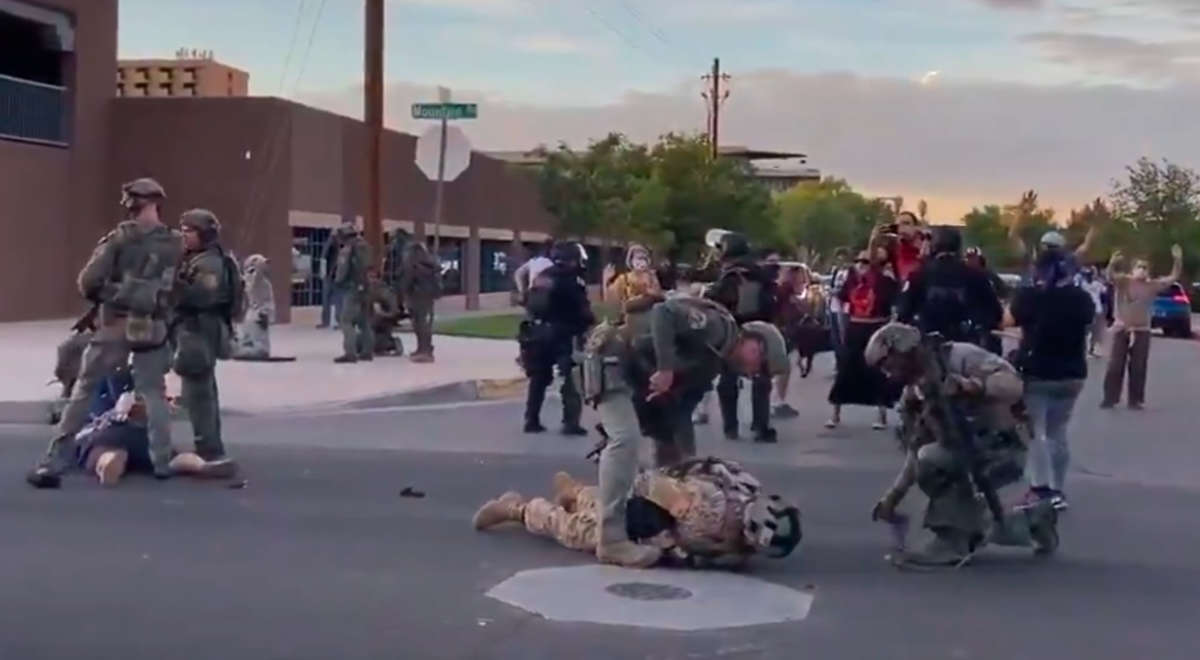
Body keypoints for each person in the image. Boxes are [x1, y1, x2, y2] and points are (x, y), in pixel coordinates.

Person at [579, 295, 789, 567]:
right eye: (758, 363)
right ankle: (611, 540)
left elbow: (679, 415)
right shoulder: (718, 327)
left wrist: (689, 471)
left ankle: (653, 521)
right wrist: (666, 369)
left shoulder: (711, 365)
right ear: (754, 342)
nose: (752, 372)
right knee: (625, 440)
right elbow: (662, 313)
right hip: (612, 357)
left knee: (669, 449)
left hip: (634, 375)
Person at [27, 178, 183, 489]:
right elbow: (179, 288)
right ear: (157, 203)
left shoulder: (118, 240)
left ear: (131, 205)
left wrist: (116, 292)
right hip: (153, 327)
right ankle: (162, 461)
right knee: (152, 392)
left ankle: (54, 459)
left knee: (84, 389)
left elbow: (87, 283)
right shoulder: (175, 242)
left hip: (115, 324)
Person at [864, 323, 1059, 567]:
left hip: (1003, 445)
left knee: (934, 464)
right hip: (970, 452)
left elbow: (1013, 385)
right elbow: (915, 452)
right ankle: (1033, 520)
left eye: (888, 364)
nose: (888, 373)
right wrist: (892, 498)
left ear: (902, 350)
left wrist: (972, 386)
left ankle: (953, 541)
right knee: (934, 465)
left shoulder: (960, 357)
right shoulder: (915, 394)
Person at [472, 457, 801, 568]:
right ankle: (517, 507)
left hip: (647, 509)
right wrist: (666, 546)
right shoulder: (708, 508)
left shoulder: (742, 497)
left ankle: (575, 492)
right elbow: (651, 487)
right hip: (642, 515)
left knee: (601, 504)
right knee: (578, 532)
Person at [1009, 248, 1095, 511]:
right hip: (1072, 373)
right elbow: (1089, 323)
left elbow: (1008, 319)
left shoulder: (1031, 296)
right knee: (1058, 431)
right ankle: (1058, 490)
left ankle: (1039, 488)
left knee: (1035, 432)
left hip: (1038, 372)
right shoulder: (1081, 298)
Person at [173, 209, 240, 477]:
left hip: (200, 330)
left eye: (189, 231)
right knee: (199, 392)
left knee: (199, 393)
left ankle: (209, 449)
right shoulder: (197, 259)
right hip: (194, 329)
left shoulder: (210, 264)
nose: (184, 235)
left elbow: (201, 296)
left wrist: (172, 284)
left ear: (205, 234)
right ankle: (210, 445)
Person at [705, 232, 778, 443]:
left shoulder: (732, 274)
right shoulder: (759, 271)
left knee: (727, 381)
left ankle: (730, 427)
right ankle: (761, 426)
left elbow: (719, 301)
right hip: (761, 328)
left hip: (734, 330)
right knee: (761, 379)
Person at [520, 241, 593, 435]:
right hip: (564, 334)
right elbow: (583, 312)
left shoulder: (542, 277)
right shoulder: (573, 281)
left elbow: (529, 303)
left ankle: (531, 419)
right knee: (570, 378)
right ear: (574, 260)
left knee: (538, 378)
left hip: (537, 334)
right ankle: (570, 423)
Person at [1101, 245, 1183, 409]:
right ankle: (1110, 398)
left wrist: (1177, 260)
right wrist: (1112, 263)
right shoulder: (1124, 281)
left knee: (1139, 367)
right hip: (1122, 329)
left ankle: (1136, 400)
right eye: (1139, 267)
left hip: (1142, 330)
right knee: (1116, 365)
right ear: (1133, 269)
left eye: (1145, 268)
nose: (1142, 270)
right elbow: (1109, 276)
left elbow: (1172, 277)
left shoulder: (1152, 285)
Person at [827, 248, 900, 430]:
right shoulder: (852, 280)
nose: (860, 265)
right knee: (845, 369)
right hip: (855, 327)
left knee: (877, 370)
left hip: (875, 327)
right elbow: (842, 298)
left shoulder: (885, 282)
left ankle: (881, 415)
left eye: (865, 262)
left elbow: (893, 303)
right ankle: (835, 414)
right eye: (858, 261)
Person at [897, 227, 1002, 346]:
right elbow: (995, 312)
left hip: (928, 347)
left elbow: (903, 313)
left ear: (933, 247)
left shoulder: (918, 275)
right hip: (966, 347)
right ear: (959, 248)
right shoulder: (976, 275)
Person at [332, 223, 372, 363]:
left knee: (346, 320)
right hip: (366, 288)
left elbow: (341, 272)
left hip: (353, 288)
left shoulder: (347, 250)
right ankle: (367, 352)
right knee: (364, 321)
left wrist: (336, 282)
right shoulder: (365, 246)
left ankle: (350, 353)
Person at [605, 243, 665, 335]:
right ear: (631, 260)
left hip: (650, 319)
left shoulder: (652, 277)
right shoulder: (623, 278)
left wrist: (649, 291)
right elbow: (611, 300)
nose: (640, 261)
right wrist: (606, 279)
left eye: (644, 258)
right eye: (637, 258)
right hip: (630, 321)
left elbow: (660, 296)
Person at [399, 241, 441, 363]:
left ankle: (424, 351)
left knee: (419, 324)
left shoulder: (413, 264)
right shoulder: (430, 263)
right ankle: (424, 348)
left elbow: (407, 281)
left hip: (417, 296)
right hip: (428, 296)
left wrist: (402, 293)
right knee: (425, 324)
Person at [232, 254, 275, 359]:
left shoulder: (259, 281)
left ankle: (257, 349)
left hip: (260, 311)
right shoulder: (254, 280)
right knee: (250, 329)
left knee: (257, 332)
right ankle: (249, 346)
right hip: (256, 311)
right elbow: (255, 276)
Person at [366, 266, 404, 356]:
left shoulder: (386, 292)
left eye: (374, 277)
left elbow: (395, 312)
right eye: (369, 277)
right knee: (357, 344)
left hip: (383, 324)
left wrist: (382, 313)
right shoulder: (365, 290)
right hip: (367, 323)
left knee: (376, 345)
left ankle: (393, 343)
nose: (371, 280)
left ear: (379, 278)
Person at [1077, 266, 1108, 357]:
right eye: (1087, 275)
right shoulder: (1082, 284)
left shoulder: (1097, 284)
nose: (1089, 277)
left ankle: (1091, 348)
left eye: (1090, 275)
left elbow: (1105, 291)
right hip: (1086, 309)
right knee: (1086, 331)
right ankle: (1085, 349)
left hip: (1096, 309)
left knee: (1095, 331)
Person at [827, 248, 852, 358]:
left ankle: (845, 361)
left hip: (845, 308)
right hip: (834, 307)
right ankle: (839, 361)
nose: (841, 262)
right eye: (838, 259)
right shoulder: (836, 272)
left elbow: (850, 290)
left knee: (844, 337)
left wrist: (837, 293)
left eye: (843, 259)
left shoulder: (851, 272)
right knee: (835, 337)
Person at [513, 240, 554, 305]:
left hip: (533, 295)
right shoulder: (553, 263)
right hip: (548, 296)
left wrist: (522, 291)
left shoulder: (534, 261)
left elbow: (518, 273)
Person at [318, 227, 343, 329]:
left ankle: (329, 322)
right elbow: (324, 258)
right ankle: (330, 322)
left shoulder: (337, 245)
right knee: (336, 300)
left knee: (333, 300)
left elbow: (324, 258)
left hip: (332, 276)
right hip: (332, 275)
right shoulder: (336, 245)